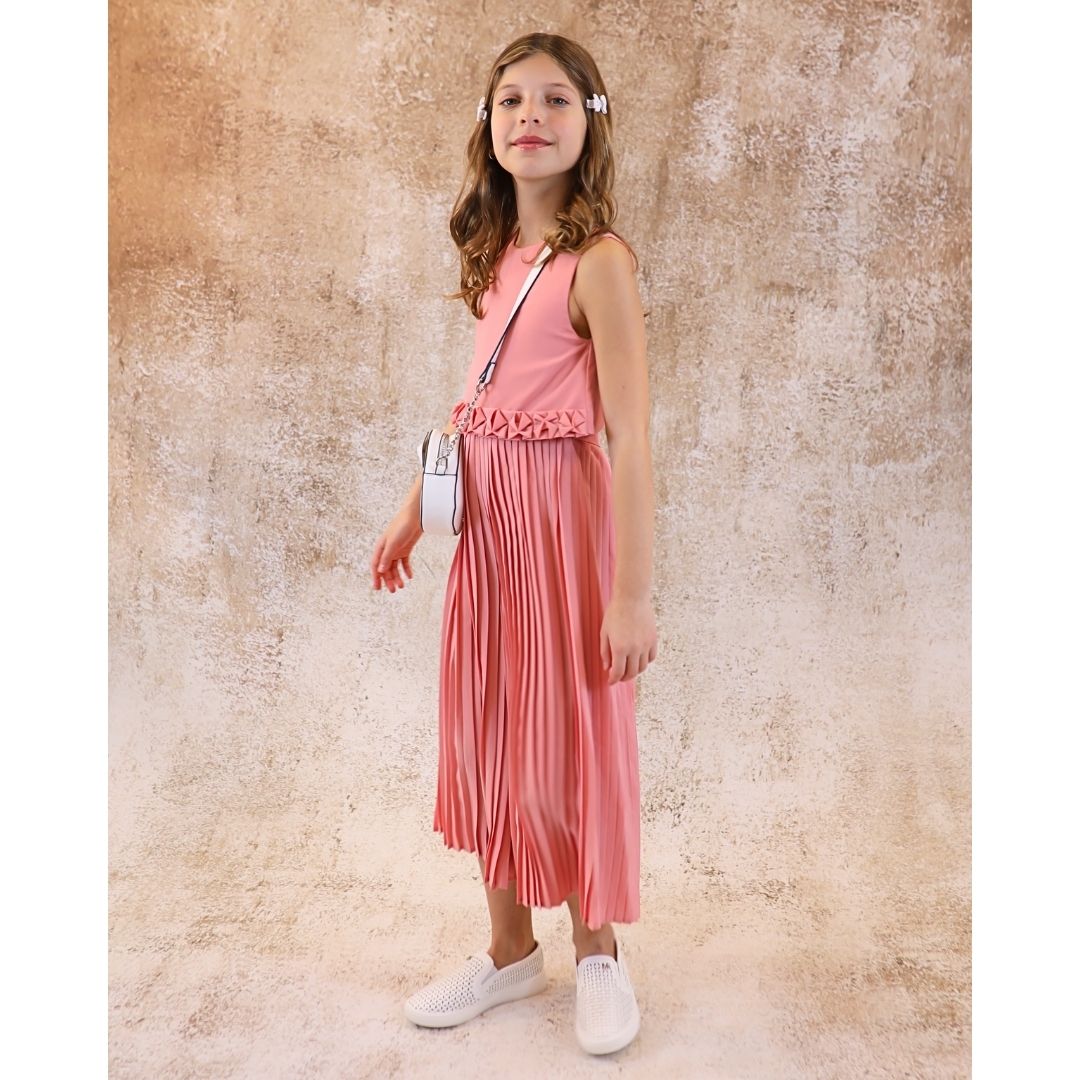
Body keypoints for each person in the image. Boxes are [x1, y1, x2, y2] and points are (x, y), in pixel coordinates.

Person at [370, 32, 657, 1056]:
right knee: (493, 728)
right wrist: (416, 505)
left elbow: (630, 436)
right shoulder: (495, 256)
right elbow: (477, 406)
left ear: (591, 123)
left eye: (555, 99)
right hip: (487, 534)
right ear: (488, 128)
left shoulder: (600, 263)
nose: (530, 115)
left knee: (570, 737)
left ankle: (598, 952)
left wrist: (632, 593)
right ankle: (508, 949)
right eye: (511, 101)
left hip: (563, 534)